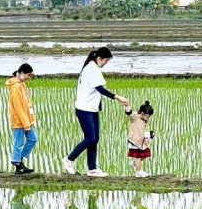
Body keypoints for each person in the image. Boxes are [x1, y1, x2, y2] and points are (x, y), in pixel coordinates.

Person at [62, 48, 129, 177]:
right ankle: (69, 159)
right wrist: (118, 97)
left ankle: (92, 168)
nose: (106, 63)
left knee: (95, 138)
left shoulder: (94, 68)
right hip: (84, 109)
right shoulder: (91, 68)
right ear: (99, 58)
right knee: (90, 138)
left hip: (92, 109)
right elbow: (100, 89)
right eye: (106, 60)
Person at [7, 64, 37, 175]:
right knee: (18, 143)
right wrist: (25, 123)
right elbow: (18, 107)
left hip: (26, 119)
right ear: (22, 73)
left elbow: (26, 104)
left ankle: (18, 160)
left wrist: (30, 119)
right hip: (19, 121)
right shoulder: (15, 87)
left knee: (33, 139)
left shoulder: (21, 84)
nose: (29, 77)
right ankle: (18, 164)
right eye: (29, 75)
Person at [124, 101, 156, 178]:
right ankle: (138, 171)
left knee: (145, 154)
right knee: (138, 156)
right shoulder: (135, 117)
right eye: (147, 116)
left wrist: (150, 134)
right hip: (134, 141)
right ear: (142, 113)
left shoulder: (145, 121)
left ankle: (135, 164)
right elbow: (129, 113)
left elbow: (144, 132)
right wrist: (127, 105)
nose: (148, 118)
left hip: (142, 142)